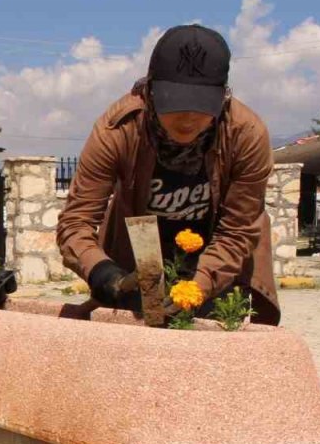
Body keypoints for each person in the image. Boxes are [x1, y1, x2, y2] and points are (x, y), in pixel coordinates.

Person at [57, 24, 280, 325]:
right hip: (138, 259)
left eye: (201, 105)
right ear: (149, 92)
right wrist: (102, 272)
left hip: (221, 261)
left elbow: (238, 231)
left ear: (224, 97)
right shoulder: (118, 130)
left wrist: (196, 288)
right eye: (174, 103)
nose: (188, 118)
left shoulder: (246, 135)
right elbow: (76, 222)